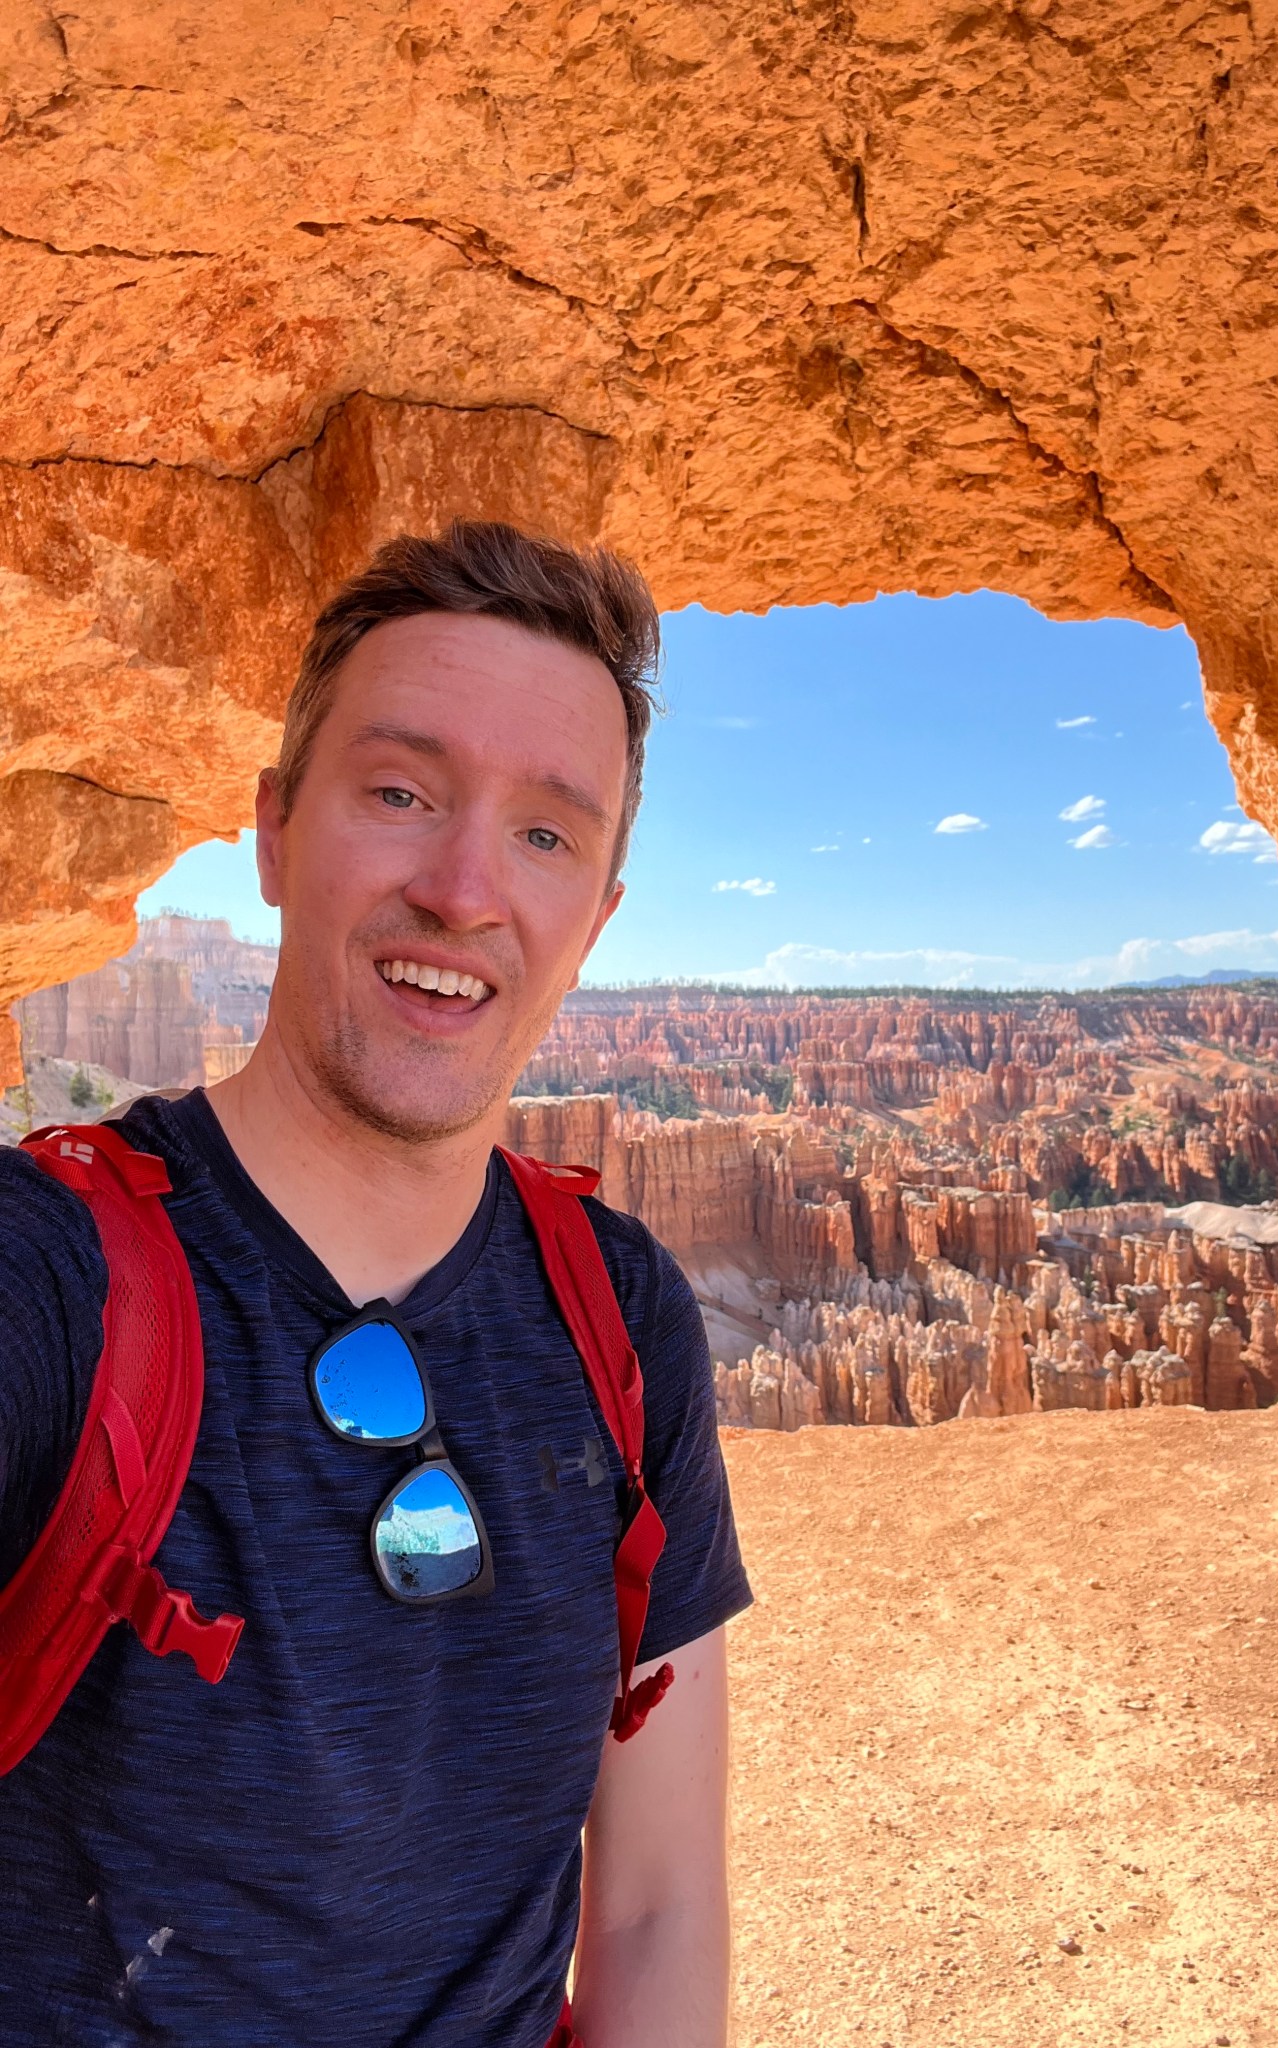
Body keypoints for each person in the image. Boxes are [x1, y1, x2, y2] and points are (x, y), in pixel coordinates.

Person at [0, 521, 753, 2046]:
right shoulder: (52, 1279)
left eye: (548, 833)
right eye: (401, 793)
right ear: (276, 832)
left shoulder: (623, 1318)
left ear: (596, 917)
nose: (467, 887)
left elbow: (663, 1903)